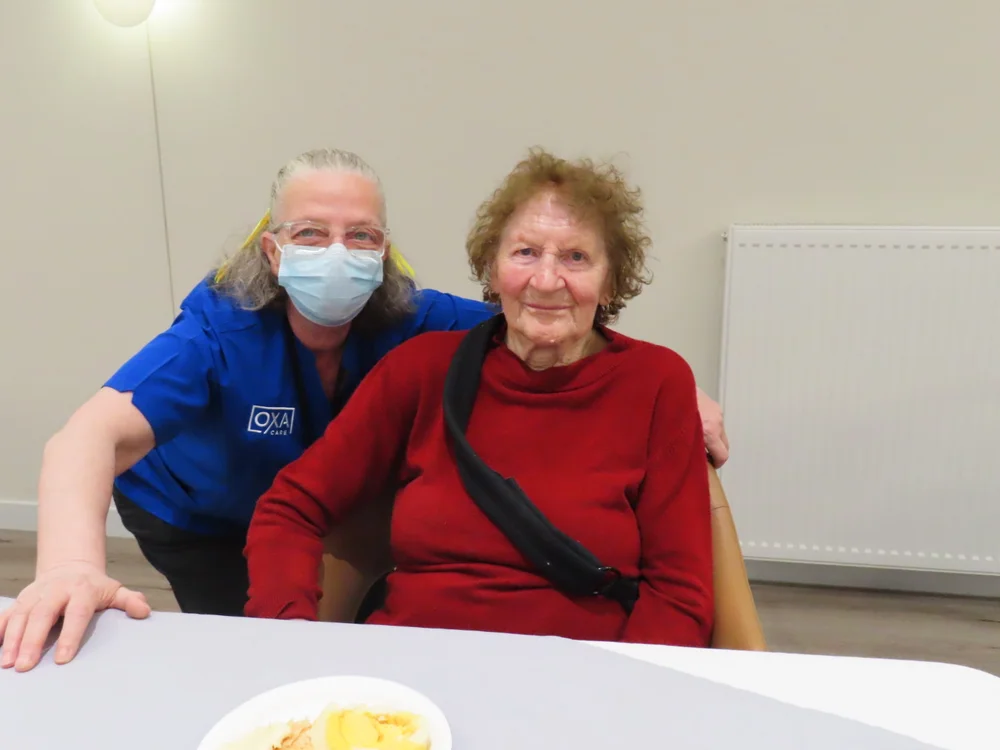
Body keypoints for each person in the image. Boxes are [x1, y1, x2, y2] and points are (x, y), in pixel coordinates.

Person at [0, 147, 728, 672]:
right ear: (274, 251)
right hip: (192, 512)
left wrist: (672, 384)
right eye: (310, 233)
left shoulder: (412, 320)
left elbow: (554, 328)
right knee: (227, 648)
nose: (545, 277)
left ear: (386, 255)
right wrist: (69, 568)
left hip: (578, 668)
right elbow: (86, 438)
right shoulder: (223, 330)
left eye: (363, 236)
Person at [244, 148, 715, 646]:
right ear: (492, 271)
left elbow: (680, 593)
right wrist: (289, 638)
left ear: (611, 279)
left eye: (576, 257)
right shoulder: (421, 370)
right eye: (525, 252)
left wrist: (622, 695)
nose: (547, 279)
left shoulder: (656, 382)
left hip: (579, 683)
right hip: (414, 677)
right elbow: (290, 506)